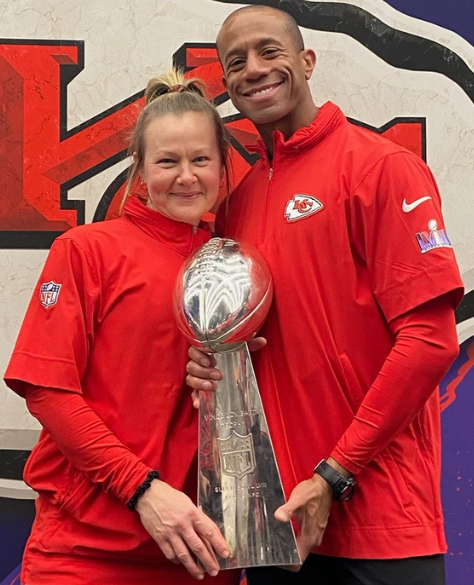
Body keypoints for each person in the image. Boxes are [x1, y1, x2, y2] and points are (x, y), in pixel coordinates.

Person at [185, 5, 465, 585]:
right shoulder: (237, 203)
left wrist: (334, 475)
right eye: (235, 62)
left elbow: (429, 342)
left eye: (270, 51)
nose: (254, 69)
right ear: (228, 86)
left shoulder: (383, 168)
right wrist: (209, 363)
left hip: (379, 522)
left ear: (307, 62)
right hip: (279, 525)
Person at [3, 70, 241, 585]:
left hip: (202, 556)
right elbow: (47, 389)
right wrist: (142, 489)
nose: (186, 176)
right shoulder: (87, 251)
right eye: (167, 161)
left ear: (223, 166)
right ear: (138, 167)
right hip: (85, 551)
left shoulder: (236, 265)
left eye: (201, 159)